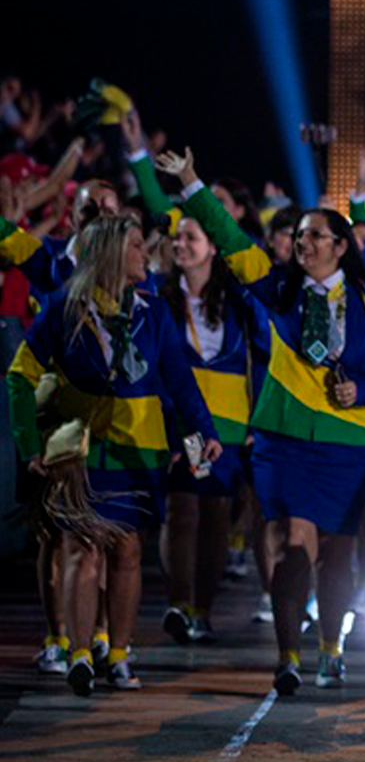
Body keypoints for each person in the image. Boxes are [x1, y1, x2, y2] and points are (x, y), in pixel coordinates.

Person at [159, 148, 365, 695]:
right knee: (294, 542)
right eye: (300, 235)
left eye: (317, 236)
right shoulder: (276, 287)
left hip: (349, 438)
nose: (304, 243)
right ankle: (288, 656)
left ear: (342, 247)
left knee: (340, 552)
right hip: (283, 437)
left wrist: (363, 388)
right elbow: (228, 238)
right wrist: (189, 179)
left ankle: (331, 647)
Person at [6, 214, 224, 695]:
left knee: (127, 551)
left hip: (139, 451)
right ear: (109, 254)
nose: (145, 255)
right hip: (83, 451)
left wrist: (203, 430)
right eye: (135, 247)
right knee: (81, 549)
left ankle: (120, 655)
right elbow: (19, 375)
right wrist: (30, 445)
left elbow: (178, 377)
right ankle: (80, 652)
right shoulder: (66, 307)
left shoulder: (153, 311)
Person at [155, 213, 262, 646]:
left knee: (216, 515)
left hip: (229, 425)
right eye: (177, 238)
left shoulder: (236, 299)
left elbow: (261, 357)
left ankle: (202, 609)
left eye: (191, 238)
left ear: (213, 247)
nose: (181, 244)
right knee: (183, 510)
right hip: (186, 421)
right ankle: (178, 604)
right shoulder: (161, 297)